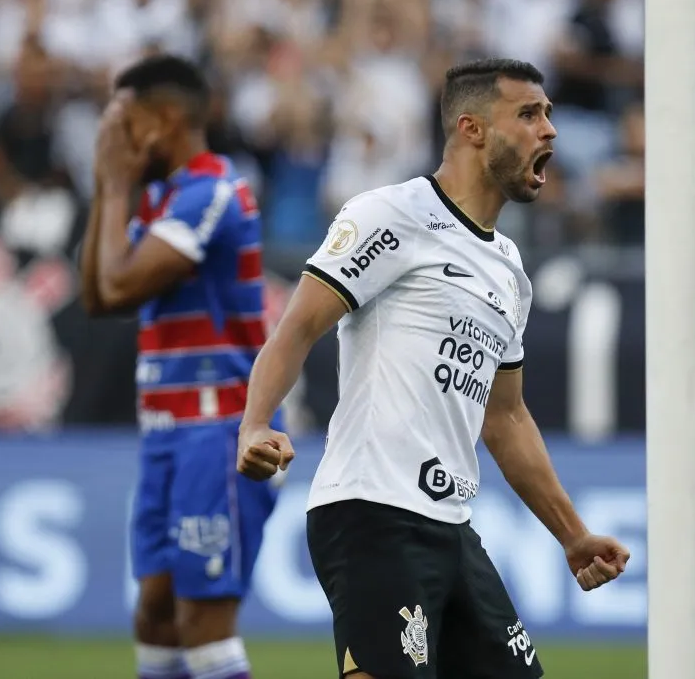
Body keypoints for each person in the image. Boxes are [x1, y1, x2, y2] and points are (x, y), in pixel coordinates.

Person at [236, 58, 630, 679]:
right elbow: (297, 327)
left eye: (549, 113)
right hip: (372, 511)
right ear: (472, 128)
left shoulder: (508, 269)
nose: (549, 129)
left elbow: (505, 416)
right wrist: (255, 423)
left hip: (450, 527)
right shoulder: (393, 214)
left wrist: (572, 535)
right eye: (529, 113)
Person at [78, 54, 281, 679]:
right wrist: (109, 191)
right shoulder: (164, 200)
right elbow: (95, 297)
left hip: (217, 435)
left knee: (203, 622)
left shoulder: (211, 192)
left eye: (125, 124)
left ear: (164, 121)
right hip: (166, 433)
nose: (116, 140)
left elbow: (118, 286)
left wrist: (114, 186)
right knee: (156, 615)